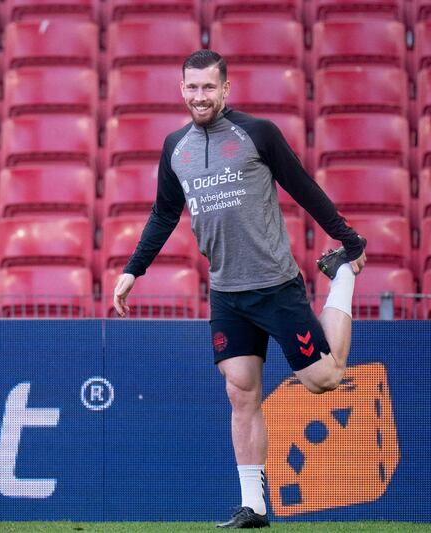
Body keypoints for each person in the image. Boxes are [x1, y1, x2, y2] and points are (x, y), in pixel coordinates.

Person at [113, 50, 367, 529]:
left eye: (209, 87)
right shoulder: (175, 147)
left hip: (275, 286)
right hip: (227, 292)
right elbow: (165, 213)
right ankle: (254, 505)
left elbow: (302, 186)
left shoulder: (258, 133)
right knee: (240, 391)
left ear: (226, 90)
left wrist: (349, 243)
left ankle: (344, 279)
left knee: (325, 379)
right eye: (191, 87)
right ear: (181, 89)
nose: (199, 96)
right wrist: (134, 269)